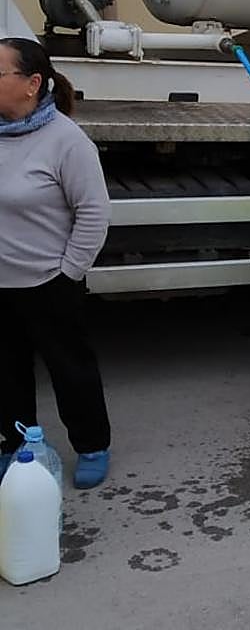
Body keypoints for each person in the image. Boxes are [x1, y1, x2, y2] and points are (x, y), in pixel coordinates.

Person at [0, 37, 112, 489]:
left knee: (70, 370)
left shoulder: (66, 141)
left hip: (48, 282)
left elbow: (94, 212)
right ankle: (15, 445)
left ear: (32, 84)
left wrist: (69, 273)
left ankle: (92, 445)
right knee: (6, 373)